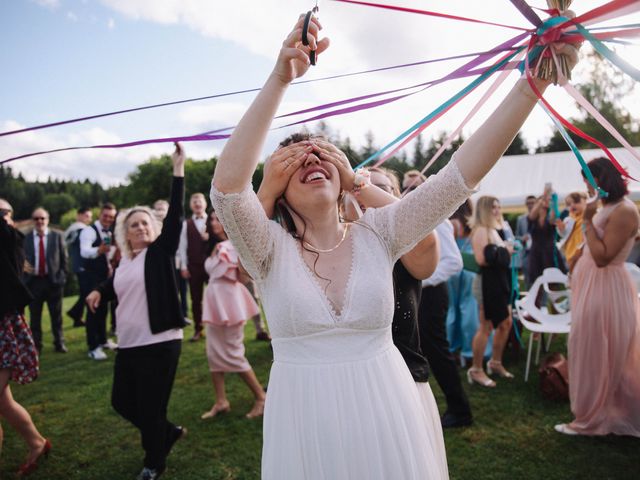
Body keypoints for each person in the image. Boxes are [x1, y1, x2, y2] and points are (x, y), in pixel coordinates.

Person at [209, 14, 578, 478]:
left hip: (389, 409)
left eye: (322, 154)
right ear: (280, 191)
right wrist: (280, 78)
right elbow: (226, 190)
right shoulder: (266, 250)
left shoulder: (379, 233)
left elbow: (459, 178)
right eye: (296, 162)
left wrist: (531, 87)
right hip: (305, 423)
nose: (312, 160)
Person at [86, 144, 188, 479]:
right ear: (125, 234)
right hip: (128, 344)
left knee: (150, 406)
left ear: (154, 229)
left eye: (146, 223)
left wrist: (178, 171)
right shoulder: (126, 261)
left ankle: (154, 461)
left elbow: (174, 216)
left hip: (160, 342)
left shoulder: (159, 253)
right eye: (134, 225)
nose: (141, 228)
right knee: (122, 402)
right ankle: (166, 432)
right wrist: (99, 291)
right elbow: (113, 282)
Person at [555, 158, 640, 437]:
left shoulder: (626, 210)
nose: (588, 187)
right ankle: (597, 412)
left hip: (607, 290)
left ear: (603, 178)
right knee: (589, 348)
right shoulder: (608, 207)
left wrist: (588, 222)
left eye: (589, 180)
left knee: (598, 351)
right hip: (592, 287)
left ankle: (592, 421)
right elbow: (593, 249)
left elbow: (604, 257)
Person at [402, 172, 474, 428]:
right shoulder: (404, 215)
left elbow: (453, 262)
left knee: (437, 352)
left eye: (416, 186)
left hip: (432, 295)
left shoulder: (437, 216)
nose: (410, 191)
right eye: (406, 186)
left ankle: (460, 410)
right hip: (413, 296)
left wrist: (421, 279)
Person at [0, 199, 51, 477]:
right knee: (3, 401)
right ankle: (36, 443)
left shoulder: (9, 242)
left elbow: (8, 235)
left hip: (2, 330)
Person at [200, 211, 266, 420]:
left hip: (229, 302)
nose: (213, 223)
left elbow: (246, 277)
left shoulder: (235, 246)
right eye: (211, 219)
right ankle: (221, 401)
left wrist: (239, 261)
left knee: (233, 352)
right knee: (213, 352)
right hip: (214, 300)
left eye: (218, 219)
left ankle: (261, 397)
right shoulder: (214, 246)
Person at [468, 196, 514, 387]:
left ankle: (495, 362)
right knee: (486, 326)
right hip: (487, 284)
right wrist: (506, 252)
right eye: (493, 207)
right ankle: (476, 370)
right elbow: (481, 259)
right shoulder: (480, 230)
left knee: (506, 323)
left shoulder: (495, 230)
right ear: (485, 209)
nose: (497, 210)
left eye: (499, 206)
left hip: (500, 281)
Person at [447, 200, 491, 366]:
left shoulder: (451, 223)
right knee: (469, 309)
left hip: (453, 269)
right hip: (471, 269)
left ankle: (451, 346)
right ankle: (469, 351)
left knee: (452, 309)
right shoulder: (473, 223)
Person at [22, 208, 68, 353]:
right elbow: (22, 261)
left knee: (57, 316)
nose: (39, 221)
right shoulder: (25, 238)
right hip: (33, 283)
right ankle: (36, 345)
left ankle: (59, 343)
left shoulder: (57, 236)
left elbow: (64, 259)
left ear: (48, 219)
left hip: (53, 282)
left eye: (42, 218)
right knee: (35, 317)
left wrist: (62, 277)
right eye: (36, 219)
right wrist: (29, 273)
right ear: (32, 221)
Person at [80, 202, 117, 360]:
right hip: (91, 276)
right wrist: (98, 250)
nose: (108, 219)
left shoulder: (109, 232)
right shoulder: (89, 231)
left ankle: (102, 341)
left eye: (111, 217)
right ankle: (93, 347)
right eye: (105, 216)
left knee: (103, 310)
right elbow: (84, 251)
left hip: (105, 276)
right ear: (99, 214)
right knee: (93, 310)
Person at [178, 193, 210, 341]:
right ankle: (198, 329)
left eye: (199, 201)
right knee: (196, 300)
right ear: (191, 205)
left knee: (216, 296)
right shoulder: (186, 224)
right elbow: (182, 246)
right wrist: (183, 266)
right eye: (194, 201)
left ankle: (217, 327)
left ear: (205, 203)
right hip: (194, 267)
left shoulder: (213, 220)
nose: (197, 204)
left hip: (212, 266)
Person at [154, 199, 190, 324]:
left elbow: (182, 245)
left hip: (177, 262)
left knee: (182, 290)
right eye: (157, 209)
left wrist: (183, 264)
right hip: (159, 265)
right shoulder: (151, 227)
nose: (159, 211)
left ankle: (183, 314)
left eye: (162, 208)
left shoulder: (176, 225)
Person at [64, 207, 93, 327]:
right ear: (79, 215)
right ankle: (74, 313)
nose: (89, 219)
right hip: (81, 264)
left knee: (84, 292)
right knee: (86, 292)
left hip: (77, 264)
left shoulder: (73, 229)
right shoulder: (80, 230)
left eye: (90, 216)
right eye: (87, 216)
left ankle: (77, 318)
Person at [528, 185, 561, 284]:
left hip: (549, 254)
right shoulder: (533, 219)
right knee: (536, 285)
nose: (546, 201)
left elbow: (553, 219)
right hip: (535, 254)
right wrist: (544, 195)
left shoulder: (551, 215)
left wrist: (552, 201)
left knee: (551, 284)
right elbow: (532, 215)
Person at [555, 191, 587, 272]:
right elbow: (564, 234)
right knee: (575, 271)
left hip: (584, 249)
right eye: (569, 204)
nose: (572, 205)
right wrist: (561, 229)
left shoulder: (588, 216)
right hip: (571, 250)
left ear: (586, 202)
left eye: (576, 202)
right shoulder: (568, 219)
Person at [515, 195, 536, 287]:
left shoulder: (542, 218)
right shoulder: (521, 219)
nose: (530, 205)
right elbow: (516, 236)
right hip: (526, 254)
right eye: (528, 203)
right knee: (528, 282)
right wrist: (522, 238)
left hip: (539, 254)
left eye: (532, 203)